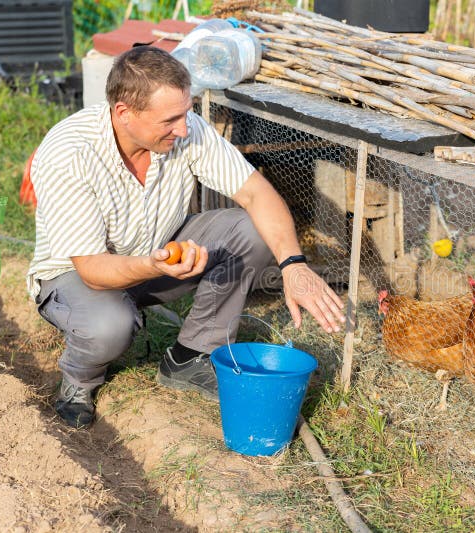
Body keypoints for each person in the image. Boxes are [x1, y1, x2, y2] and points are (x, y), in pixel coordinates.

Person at [27, 46, 345, 428]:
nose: (183, 127)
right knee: (109, 325)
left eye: (187, 111)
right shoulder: (71, 152)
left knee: (249, 230)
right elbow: (93, 269)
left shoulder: (186, 131)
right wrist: (151, 264)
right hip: (76, 276)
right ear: (124, 113)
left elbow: (256, 194)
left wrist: (293, 265)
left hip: (154, 253)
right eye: (170, 119)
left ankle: (192, 356)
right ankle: (79, 381)